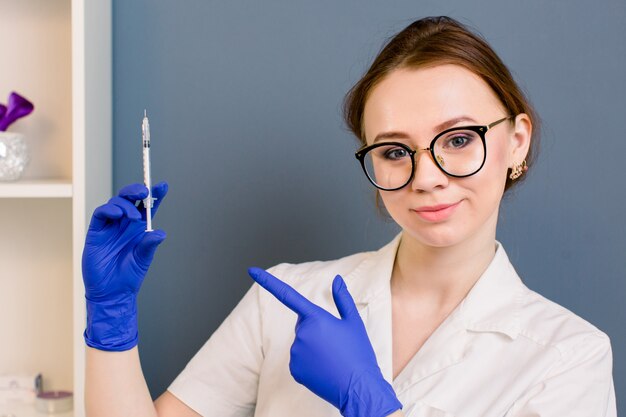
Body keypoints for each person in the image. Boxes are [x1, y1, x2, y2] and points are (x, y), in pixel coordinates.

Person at [82, 16, 617, 417]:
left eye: (457, 140)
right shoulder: (286, 301)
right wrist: (112, 322)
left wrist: (373, 406)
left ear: (516, 141)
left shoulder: (569, 358)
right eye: (393, 151)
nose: (426, 176)